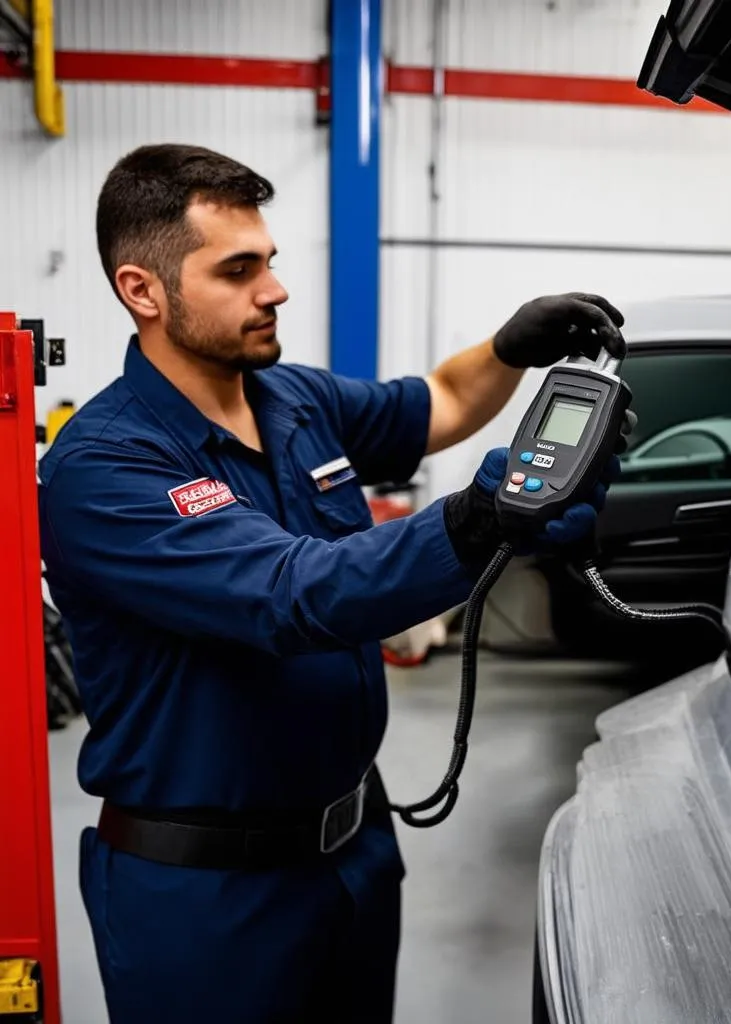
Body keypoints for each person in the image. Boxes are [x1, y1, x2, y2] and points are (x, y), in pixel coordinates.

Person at [37, 143, 630, 1023]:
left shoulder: (294, 399)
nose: (273, 289)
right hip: (207, 897)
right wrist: (478, 519)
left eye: (268, 262)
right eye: (237, 270)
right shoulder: (103, 465)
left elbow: (438, 401)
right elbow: (290, 592)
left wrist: (510, 346)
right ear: (143, 291)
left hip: (355, 853)